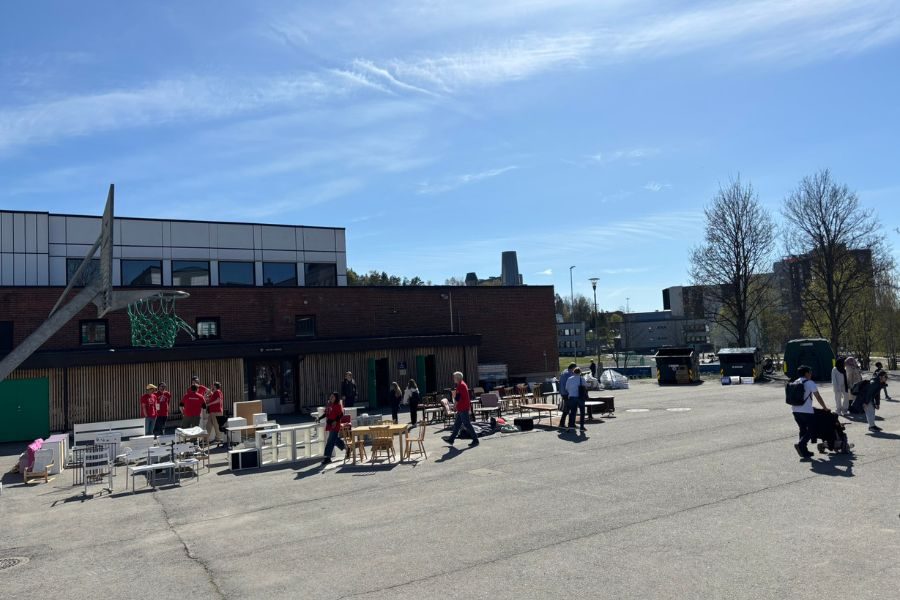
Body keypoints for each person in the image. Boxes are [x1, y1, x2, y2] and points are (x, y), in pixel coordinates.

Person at [791, 366, 830, 459]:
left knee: (803, 429)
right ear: (806, 373)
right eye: (810, 372)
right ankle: (801, 444)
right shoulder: (809, 383)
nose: (811, 374)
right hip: (806, 411)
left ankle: (804, 451)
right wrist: (825, 408)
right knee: (813, 429)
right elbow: (818, 396)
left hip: (795, 410)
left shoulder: (795, 382)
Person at [442, 371, 479, 447]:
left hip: (463, 407)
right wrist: (456, 406)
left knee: (467, 424)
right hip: (462, 407)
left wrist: (454, 406)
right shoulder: (462, 384)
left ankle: (475, 439)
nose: (453, 379)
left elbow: (458, 398)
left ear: (458, 378)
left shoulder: (460, 386)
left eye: (454, 377)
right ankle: (451, 439)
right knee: (457, 424)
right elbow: (459, 397)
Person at [316, 392, 347, 464]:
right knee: (335, 440)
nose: (331, 398)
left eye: (333, 397)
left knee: (330, 441)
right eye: (331, 397)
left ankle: (327, 458)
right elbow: (326, 413)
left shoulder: (338, 405)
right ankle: (347, 448)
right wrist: (319, 418)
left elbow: (341, 414)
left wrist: (336, 421)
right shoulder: (329, 405)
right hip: (330, 424)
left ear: (336, 398)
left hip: (335, 425)